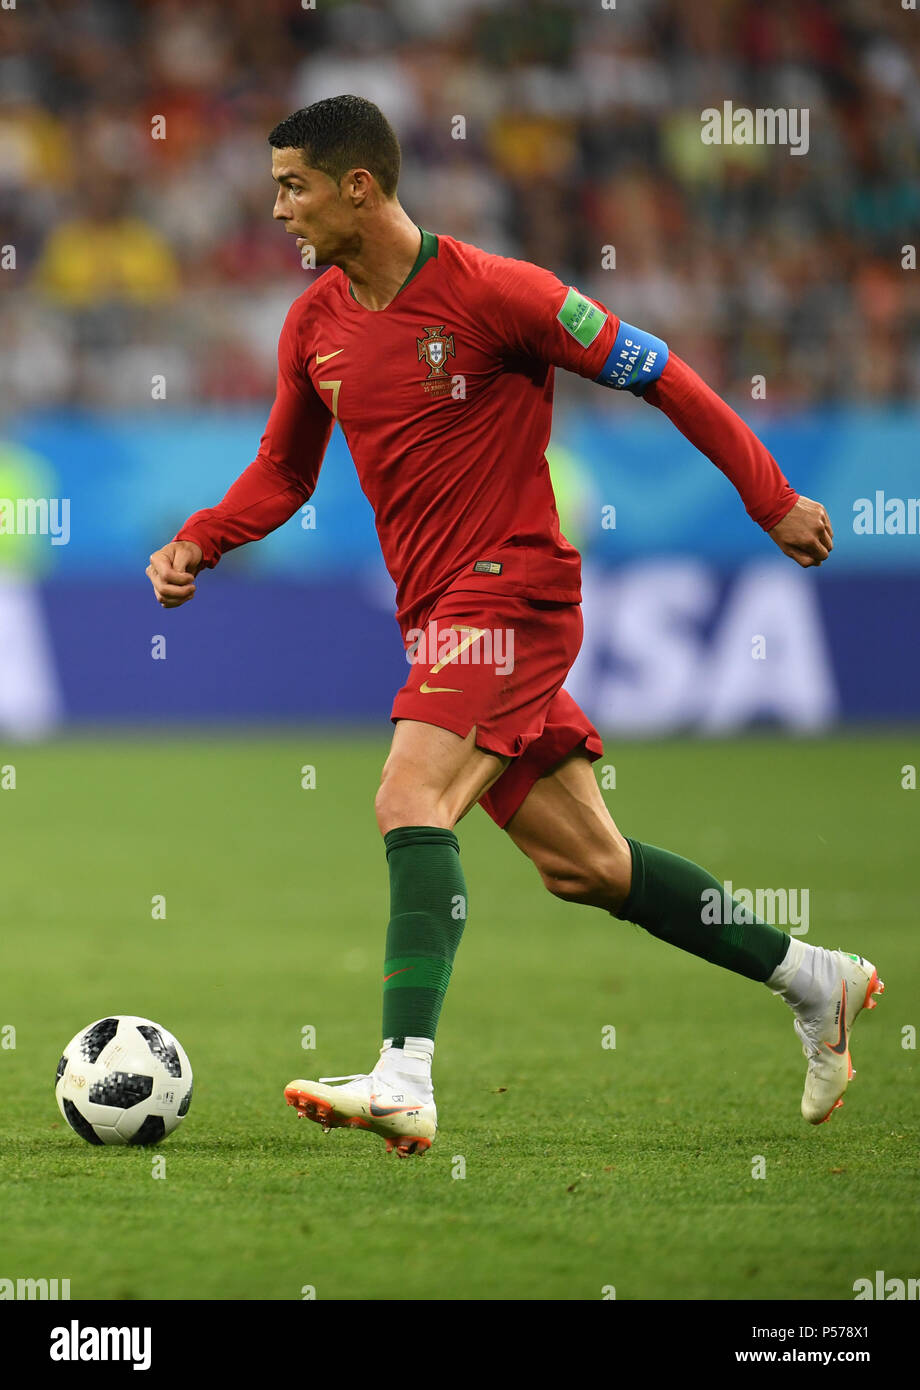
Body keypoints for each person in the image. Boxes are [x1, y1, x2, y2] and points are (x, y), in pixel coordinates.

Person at [147, 96, 882, 1157]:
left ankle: (403, 1074)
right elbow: (282, 469)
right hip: (439, 615)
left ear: (360, 186)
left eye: (292, 186)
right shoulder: (314, 323)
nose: (277, 210)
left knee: (408, 792)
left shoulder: (499, 294)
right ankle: (811, 980)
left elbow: (661, 374)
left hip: (512, 599)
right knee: (589, 865)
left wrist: (768, 498)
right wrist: (199, 541)